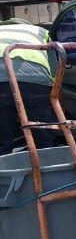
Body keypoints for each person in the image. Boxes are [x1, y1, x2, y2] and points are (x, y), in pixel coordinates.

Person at [0, 19, 57, 155]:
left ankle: (4, 166)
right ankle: (46, 163)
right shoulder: (39, 32)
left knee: (3, 137)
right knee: (42, 133)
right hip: (36, 80)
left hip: (1, 82)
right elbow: (55, 70)